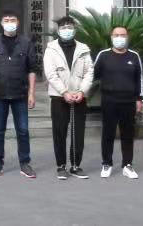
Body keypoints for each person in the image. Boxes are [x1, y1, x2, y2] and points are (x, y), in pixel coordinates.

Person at [0, 11, 38, 178]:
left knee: (23, 130)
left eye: (12, 20)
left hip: (20, 94)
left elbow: (32, 69)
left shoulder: (26, 43)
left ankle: (25, 163)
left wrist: (32, 93)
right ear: (1, 23)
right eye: (6, 20)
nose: (9, 22)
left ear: (18, 22)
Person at [44, 16, 94, 180]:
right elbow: (51, 74)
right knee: (59, 131)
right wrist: (64, 92)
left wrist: (82, 91)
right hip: (59, 96)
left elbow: (89, 72)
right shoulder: (51, 49)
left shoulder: (83, 49)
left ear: (75, 29)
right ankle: (61, 166)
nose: (67, 30)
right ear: (58, 30)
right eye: (64, 27)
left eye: (70, 27)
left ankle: (75, 165)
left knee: (78, 132)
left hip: (79, 96)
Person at [94, 25, 143, 180]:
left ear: (127, 37)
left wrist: (140, 98)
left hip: (129, 102)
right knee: (107, 133)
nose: (119, 38)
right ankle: (107, 163)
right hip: (109, 101)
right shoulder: (103, 55)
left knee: (127, 134)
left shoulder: (134, 56)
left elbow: (140, 79)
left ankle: (127, 165)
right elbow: (93, 75)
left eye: (123, 35)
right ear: (111, 37)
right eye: (116, 35)